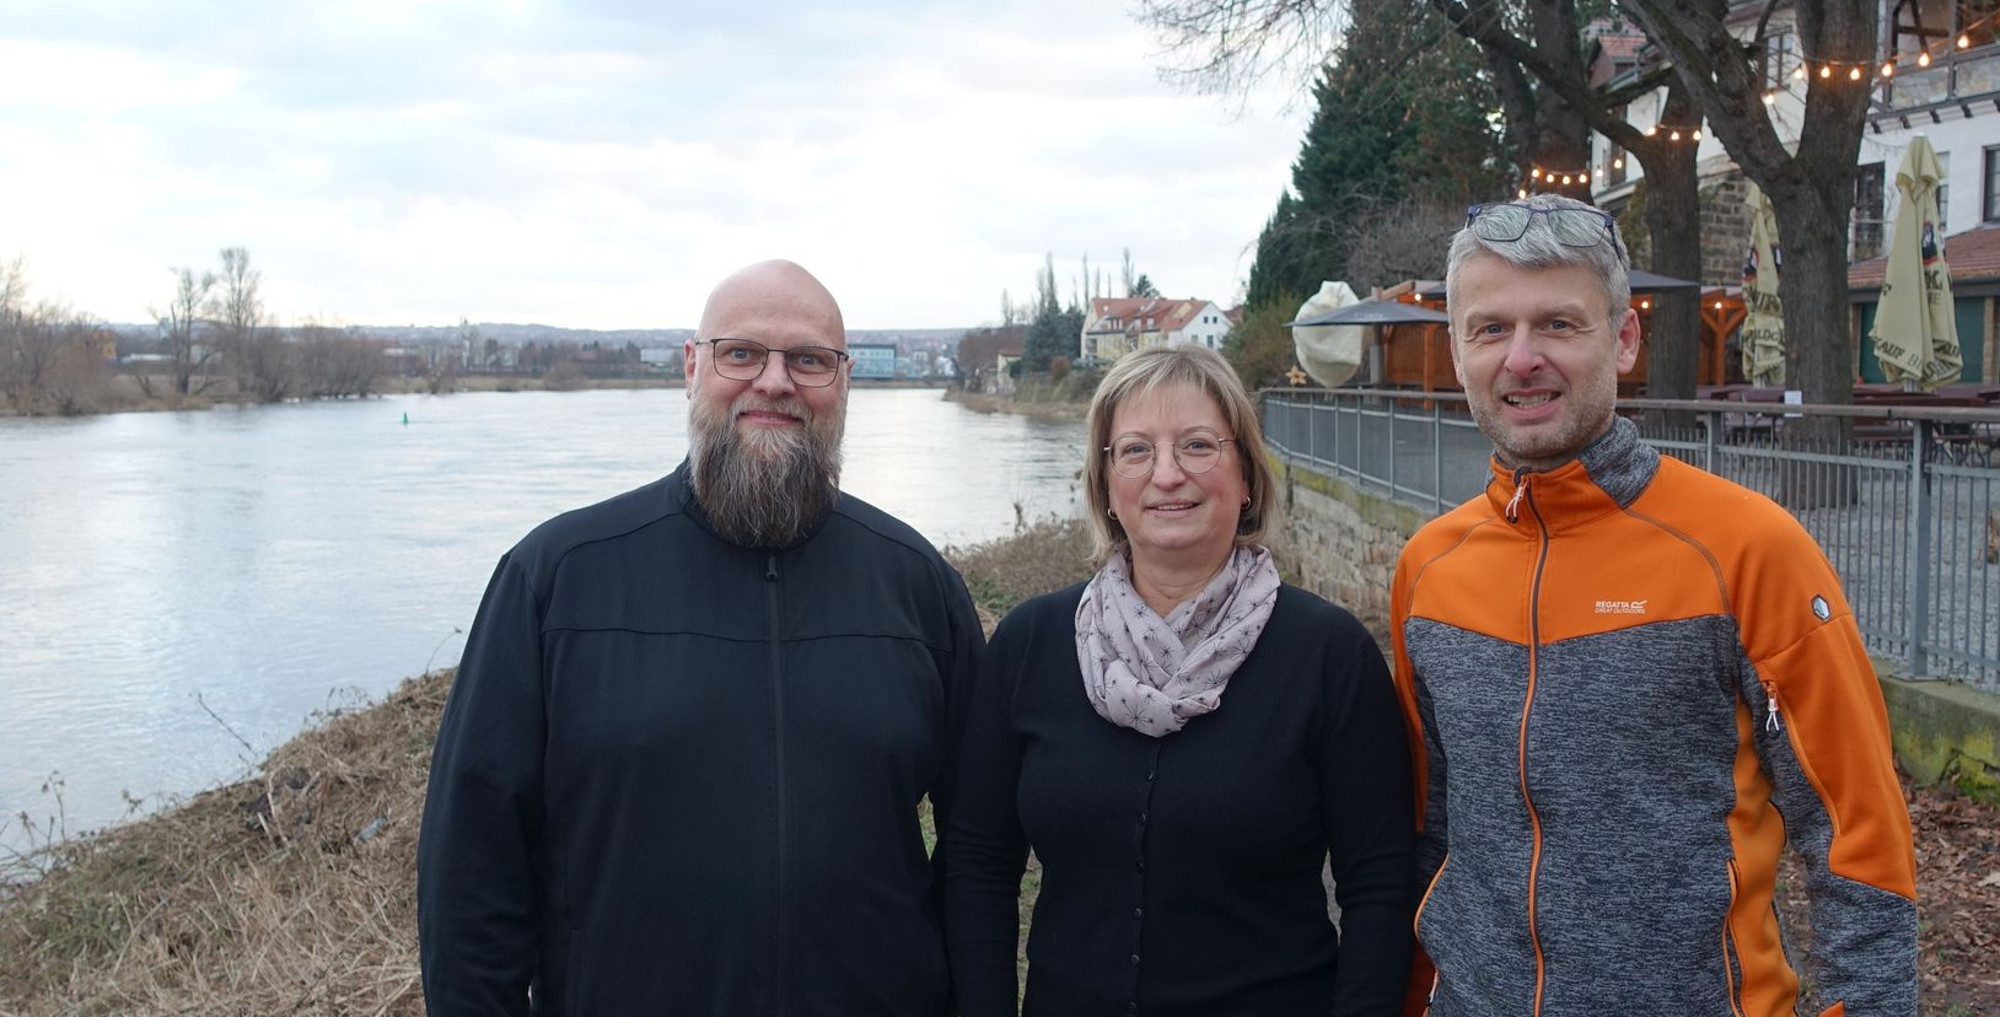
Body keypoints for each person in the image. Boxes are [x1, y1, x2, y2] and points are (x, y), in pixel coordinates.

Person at [1390, 194, 1918, 1016]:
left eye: (1558, 324)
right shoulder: (1428, 571)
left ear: (1625, 339)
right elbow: (1430, 832)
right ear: (1458, 352)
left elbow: (1858, 833)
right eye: (1490, 329)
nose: (1522, 358)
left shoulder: (1749, 550)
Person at [417, 260, 982, 1017]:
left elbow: (978, 851)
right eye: (740, 353)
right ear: (692, 368)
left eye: (808, 359)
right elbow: (470, 867)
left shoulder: (918, 588)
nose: (774, 382)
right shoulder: (558, 580)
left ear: (844, 381)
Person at [946, 345, 1416, 1017]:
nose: (1167, 474)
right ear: (1106, 486)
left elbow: (1379, 882)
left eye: (1197, 445)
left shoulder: (1328, 655)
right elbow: (979, 860)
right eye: (1136, 450)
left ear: (1246, 475)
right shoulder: (1031, 643)